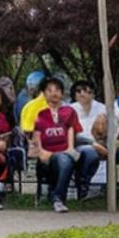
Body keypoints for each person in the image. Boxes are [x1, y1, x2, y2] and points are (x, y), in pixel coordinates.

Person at [33, 78, 82, 213]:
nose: (53, 93)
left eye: (57, 90)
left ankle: (57, 198)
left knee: (65, 160)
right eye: (49, 90)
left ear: (62, 93)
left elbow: (71, 129)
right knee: (62, 160)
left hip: (64, 152)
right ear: (43, 93)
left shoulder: (69, 111)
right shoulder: (38, 112)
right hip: (47, 154)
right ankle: (57, 197)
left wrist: (70, 148)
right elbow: (36, 134)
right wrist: (41, 151)